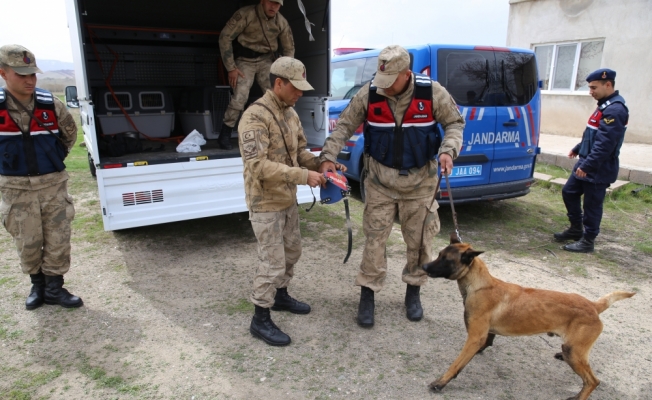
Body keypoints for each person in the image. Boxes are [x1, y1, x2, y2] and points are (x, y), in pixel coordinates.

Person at [319, 45, 465, 327]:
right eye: (381, 80)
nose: (383, 87)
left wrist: (448, 150)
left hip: (421, 182)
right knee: (374, 240)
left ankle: (413, 291)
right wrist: (328, 156)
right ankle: (368, 293)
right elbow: (344, 126)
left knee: (420, 241)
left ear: (406, 74)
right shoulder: (371, 91)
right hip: (379, 181)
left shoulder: (431, 92)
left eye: (390, 82)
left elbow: (455, 123)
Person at [239, 57, 342, 346]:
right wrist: (301, 175)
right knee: (272, 261)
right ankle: (260, 318)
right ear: (279, 83)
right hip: (265, 202)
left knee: (292, 251)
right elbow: (257, 166)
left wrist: (322, 165)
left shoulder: (290, 114)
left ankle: (281, 296)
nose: (300, 94)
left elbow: (300, 153)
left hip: (287, 200)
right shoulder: (254, 117)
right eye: (295, 88)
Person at [0, 44, 82, 309]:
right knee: (28, 240)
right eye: (22, 74)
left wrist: (51, 161)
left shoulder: (50, 103)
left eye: (32, 74)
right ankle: (38, 287)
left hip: (52, 185)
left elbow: (69, 135)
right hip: (15, 188)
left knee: (58, 237)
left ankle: (56, 288)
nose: (29, 80)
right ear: (3, 73)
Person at [553, 68, 628, 253]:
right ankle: (576, 229)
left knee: (592, 205)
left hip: (598, 167)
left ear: (607, 84)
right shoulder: (604, 105)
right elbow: (593, 134)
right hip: (588, 162)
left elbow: (605, 145)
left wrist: (587, 165)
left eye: (594, 87)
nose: (590, 91)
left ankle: (588, 240)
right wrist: (579, 148)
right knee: (569, 192)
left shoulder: (615, 110)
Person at [217, 0, 295, 150]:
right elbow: (225, 37)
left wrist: (284, 71)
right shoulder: (246, 14)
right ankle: (225, 133)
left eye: (278, 4)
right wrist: (231, 68)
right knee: (240, 96)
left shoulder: (281, 22)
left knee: (277, 96)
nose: (274, 7)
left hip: (267, 60)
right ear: (263, 1)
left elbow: (289, 49)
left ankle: (280, 133)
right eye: (271, 3)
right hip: (244, 60)